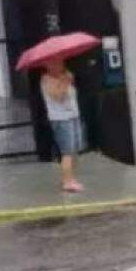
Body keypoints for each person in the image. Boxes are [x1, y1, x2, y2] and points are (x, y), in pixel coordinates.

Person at [41, 59, 84, 192]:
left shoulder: (64, 76)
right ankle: (67, 181)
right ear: (47, 65)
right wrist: (65, 83)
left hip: (73, 116)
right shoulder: (47, 80)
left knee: (75, 149)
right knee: (67, 151)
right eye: (53, 63)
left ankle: (70, 177)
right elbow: (58, 97)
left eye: (59, 63)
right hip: (61, 119)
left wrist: (67, 80)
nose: (58, 66)